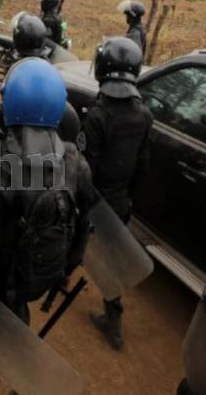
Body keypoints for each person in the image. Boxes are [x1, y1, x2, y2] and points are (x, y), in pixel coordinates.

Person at [0, 58, 101, 395]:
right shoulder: (75, 161)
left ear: (10, 103)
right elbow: (85, 223)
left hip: (1, 279)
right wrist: (67, 268)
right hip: (41, 274)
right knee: (17, 314)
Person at [83, 37, 153, 351]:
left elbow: (88, 167)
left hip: (94, 201)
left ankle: (59, 278)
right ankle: (113, 322)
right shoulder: (144, 115)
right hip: (121, 201)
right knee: (111, 261)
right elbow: (143, 165)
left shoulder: (97, 115)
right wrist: (125, 196)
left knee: (74, 242)